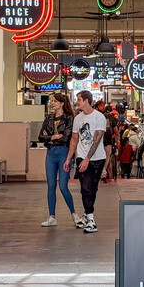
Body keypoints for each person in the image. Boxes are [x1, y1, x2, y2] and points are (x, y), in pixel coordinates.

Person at [65, 90, 106, 234]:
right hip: (82, 157)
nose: (76, 102)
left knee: (92, 189)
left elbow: (97, 140)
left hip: (98, 158)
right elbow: (74, 139)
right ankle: (91, 220)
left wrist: (88, 159)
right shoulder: (77, 119)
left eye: (78, 99)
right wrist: (70, 158)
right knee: (85, 188)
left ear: (86, 101)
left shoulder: (99, 117)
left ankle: (86, 214)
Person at [38, 93, 76, 227]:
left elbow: (66, 137)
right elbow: (40, 137)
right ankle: (51, 216)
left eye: (55, 101)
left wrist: (49, 137)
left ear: (62, 103)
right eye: (52, 101)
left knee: (63, 186)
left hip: (63, 153)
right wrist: (54, 137)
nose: (52, 103)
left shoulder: (69, 119)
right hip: (51, 154)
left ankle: (74, 214)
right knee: (51, 186)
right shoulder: (48, 118)